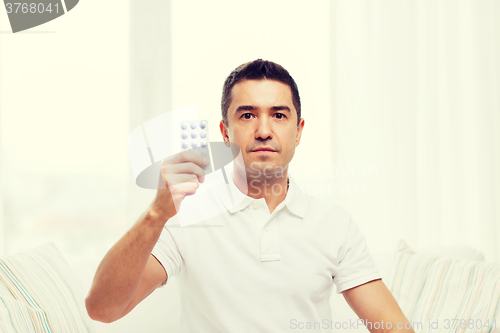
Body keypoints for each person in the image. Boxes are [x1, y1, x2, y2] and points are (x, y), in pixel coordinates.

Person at [86, 59, 415, 333]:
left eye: (278, 115)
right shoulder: (186, 217)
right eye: (247, 115)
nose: (263, 130)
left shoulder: (334, 224)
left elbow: (394, 328)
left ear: (298, 131)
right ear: (225, 131)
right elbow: (103, 309)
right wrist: (156, 215)